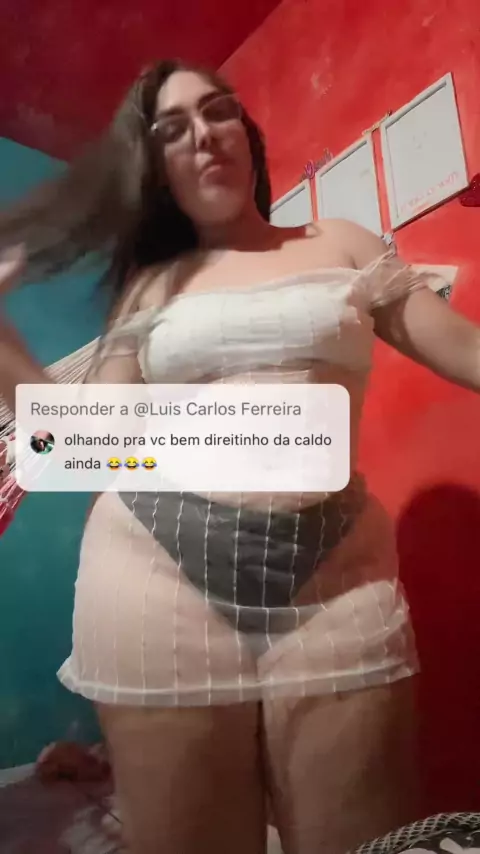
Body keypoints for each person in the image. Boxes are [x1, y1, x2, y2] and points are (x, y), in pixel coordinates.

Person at [0, 59, 479, 854]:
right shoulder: (148, 289)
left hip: (335, 584)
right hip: (154, 581)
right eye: (172, 128)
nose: (203, 135)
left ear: (246, 133)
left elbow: (466, 349)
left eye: (218, 110)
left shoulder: (341, 242)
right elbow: (83, 445)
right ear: (154, 167)